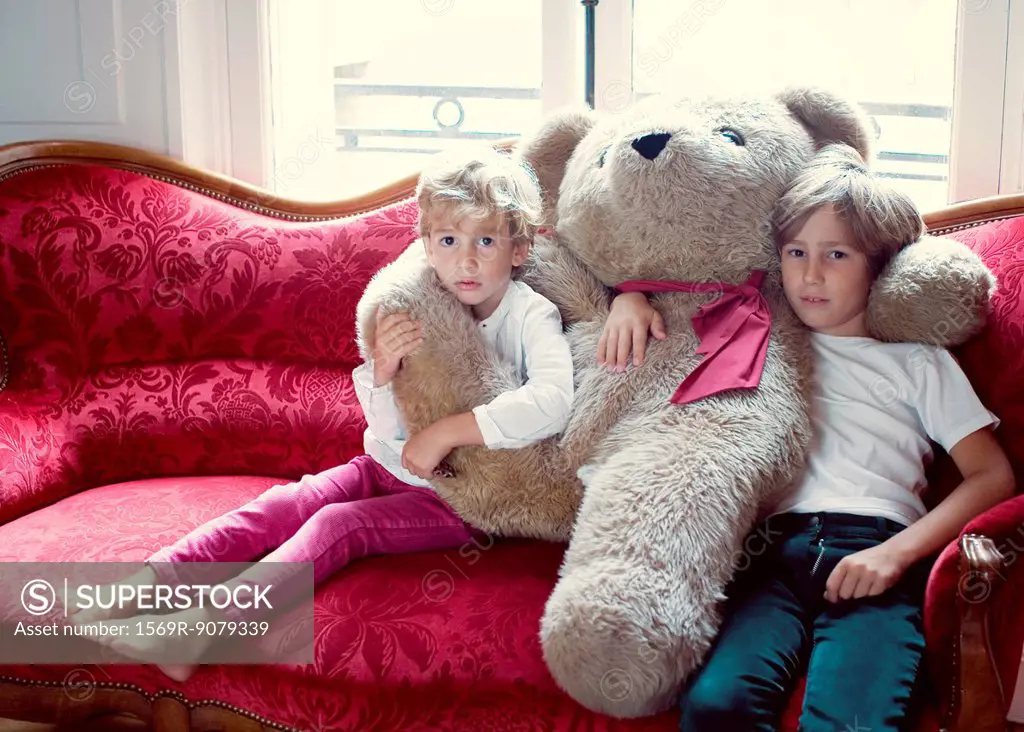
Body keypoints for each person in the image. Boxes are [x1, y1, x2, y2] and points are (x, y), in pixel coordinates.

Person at [71, 146, 575, 680]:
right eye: (449, 241)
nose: (467, 261)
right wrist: (383, 373)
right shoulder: (421, 302)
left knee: (339, 525)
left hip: (456, 498)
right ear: (427, 245)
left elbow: (553, 401)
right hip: (384, 467)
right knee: (288, 502)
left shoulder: (529, 314)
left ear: (519, 250)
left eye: (487, 241)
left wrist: (448, 433)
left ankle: (201, 630)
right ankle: (143, 587)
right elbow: (389, 436)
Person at [599, 144, 1016, 731]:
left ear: (879, 267)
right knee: (717, 705)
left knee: (852, 720)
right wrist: (629, 298)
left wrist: (895, 555)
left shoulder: (916, 360)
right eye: (796, 252)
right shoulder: (758, 337)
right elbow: (672, 282)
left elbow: (993, 476)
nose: (811, 275)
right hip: (767, 552)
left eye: (836, 255)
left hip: (874, 553)